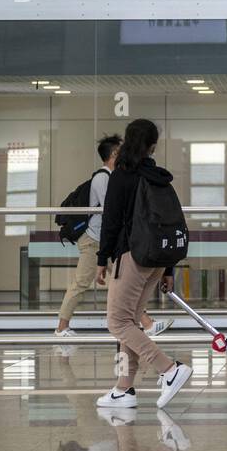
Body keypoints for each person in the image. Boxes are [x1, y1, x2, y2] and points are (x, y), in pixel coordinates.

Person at [94, 119, 193, 410]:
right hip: (157, 259)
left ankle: (169, 369)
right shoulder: (159, 177)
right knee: (131, 322)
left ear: (127, 142)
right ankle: (123, 389)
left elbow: (110, 222)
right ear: (152, 146)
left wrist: (102, 260)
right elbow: (168, 223)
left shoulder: (122, 175)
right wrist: (170, 268)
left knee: (117, 321)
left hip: (131, 257)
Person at [55, 135, 170, 340]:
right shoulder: (102, 178)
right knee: (81, 283)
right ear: (114, 154)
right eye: (120, 151)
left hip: (104, 242)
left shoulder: (113, 176)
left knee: (126, 282)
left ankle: (147, 324)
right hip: (94, 241)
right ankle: (61, 327)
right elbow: (113, 210)